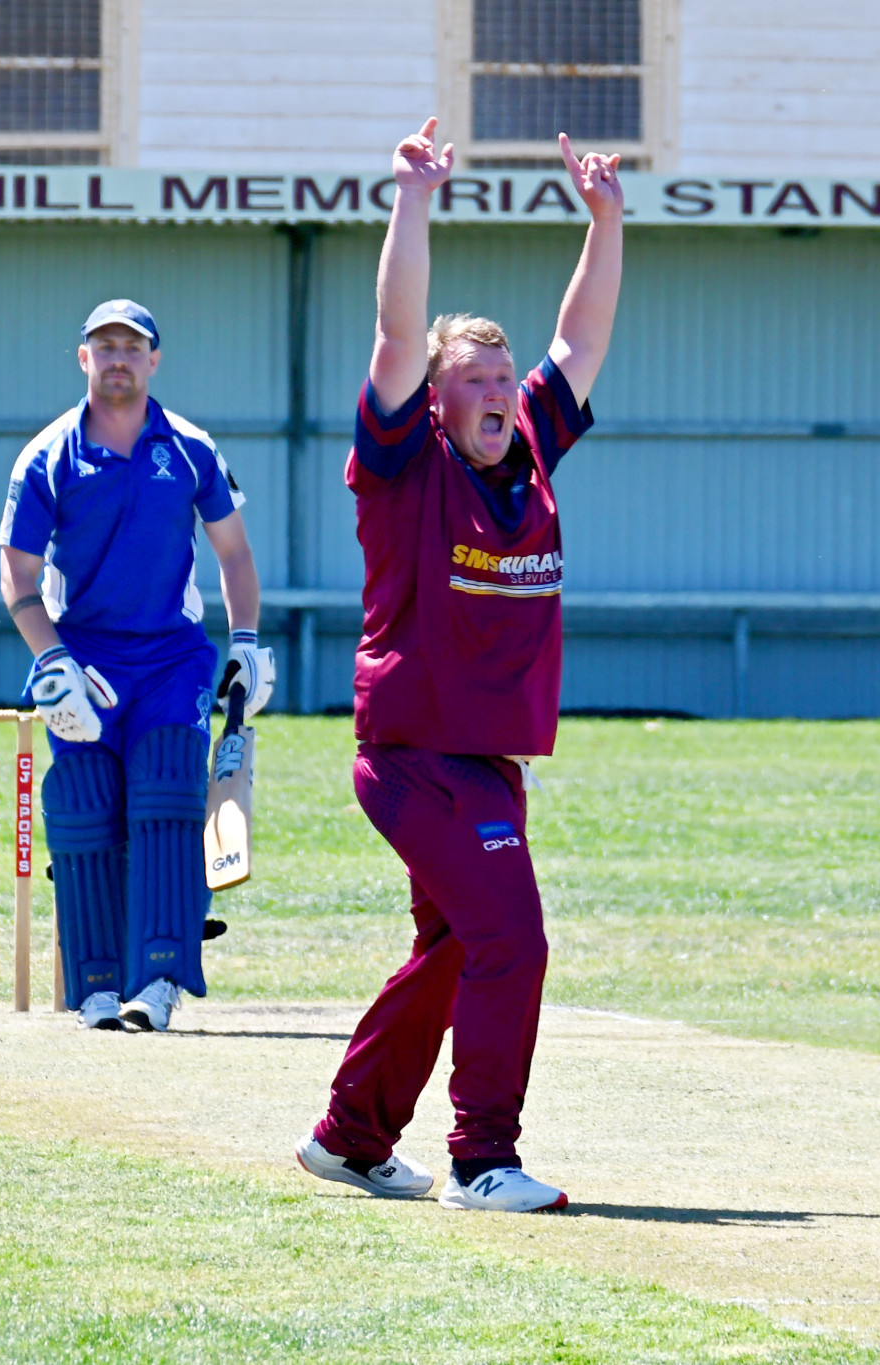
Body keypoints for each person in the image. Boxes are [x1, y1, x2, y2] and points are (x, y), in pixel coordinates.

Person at [292, 120, 622, 1211]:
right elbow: (395, 333)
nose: (494, 390)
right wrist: (412, 199)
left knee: (449, 950)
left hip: (486, 759)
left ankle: (349, 1138)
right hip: (414, 750)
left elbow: (577, 342)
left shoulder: (523, 444)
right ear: (435, 401)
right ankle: (485, 1159)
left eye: (497, 374)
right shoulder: (402, 462)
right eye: (471, 379)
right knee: (510, 942)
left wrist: (606, 220)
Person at [0, 299, 274, 1033]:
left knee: (165, 793)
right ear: (83, 357)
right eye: (104, 346)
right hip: (83, 658)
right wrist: (51, 661)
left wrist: (245, 640)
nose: (118, 358)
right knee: (87, 805)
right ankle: (95, 983)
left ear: (154, 360)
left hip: (170, 660)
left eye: (132, 346)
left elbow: (235, 554)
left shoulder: (190, 448)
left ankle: (157, 979)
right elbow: (18, 576)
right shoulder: (48, 455)